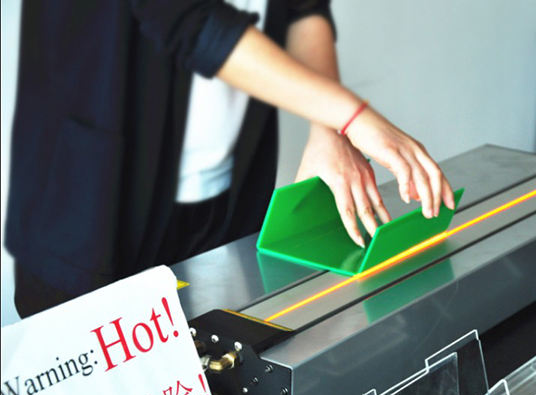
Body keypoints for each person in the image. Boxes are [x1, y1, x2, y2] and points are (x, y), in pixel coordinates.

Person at [6, 0, 454, 319]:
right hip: (90, 203)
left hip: (228, 201)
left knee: (219, 393)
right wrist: (352, 116)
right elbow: (188, 18)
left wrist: (328, 130)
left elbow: (303, 8)